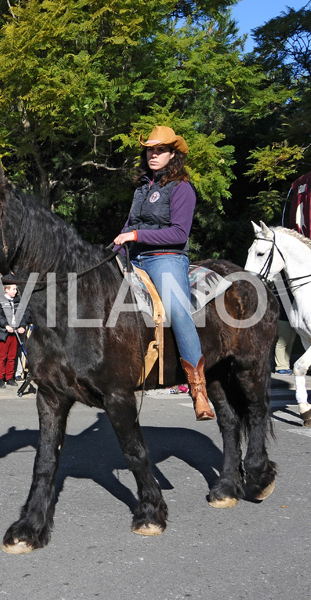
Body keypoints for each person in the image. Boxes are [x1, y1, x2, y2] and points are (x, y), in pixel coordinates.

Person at [112, 125, 215, 421]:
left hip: (166, 258)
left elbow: (179, 233)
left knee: (177, 309)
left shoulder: (182, 188)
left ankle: (198, 388)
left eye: (160, 150)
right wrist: (111, 252)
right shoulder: (142, 188)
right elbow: (128, 227)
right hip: (134, 256)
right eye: (150, 150)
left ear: (173, 155)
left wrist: (134, 237)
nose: (153, 154)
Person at [0, 283, 30, 388]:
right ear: (6, 290)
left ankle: (10, 377)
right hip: (4, 332)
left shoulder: (17, 302)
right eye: (13, 289)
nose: (16, 291)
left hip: (15, 332)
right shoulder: (1, 302)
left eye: (16, 289)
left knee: (12, 356)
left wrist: (22, 325)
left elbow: (23, 314)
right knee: (2, 356)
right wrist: (5, 325)